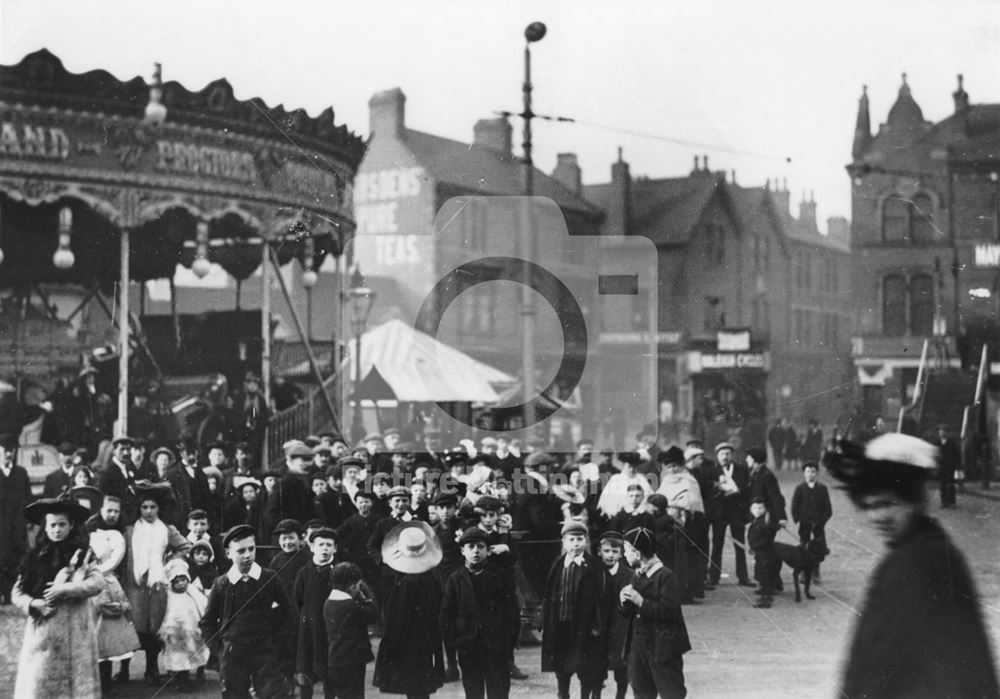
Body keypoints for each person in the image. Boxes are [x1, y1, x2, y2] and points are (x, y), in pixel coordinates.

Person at [827, 433, 1000, 698]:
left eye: (888, 503)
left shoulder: (922, 563)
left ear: (917, 501)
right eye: (869, 506)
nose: (877, 516)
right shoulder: (915, 555)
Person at [12, 496, 104, 698]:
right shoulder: (34, 557)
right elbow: (17, 593)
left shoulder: (83, 554)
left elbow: (98, 583)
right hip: (45, 632)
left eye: (62, 524)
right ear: (45, 527)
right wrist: (33, 603)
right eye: (52, 525)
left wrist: (66, 589)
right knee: (43, 682)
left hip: (78, 632)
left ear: (71, 525)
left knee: (77, 685)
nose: (57, 530)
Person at [201, 523, 296, 699]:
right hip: (233, 652)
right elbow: (207, 622)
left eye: (251, 549)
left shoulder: (269, 578)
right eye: (241, 551)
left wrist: (279, 643)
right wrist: (220, 651)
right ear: (228, 553)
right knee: (235, 694)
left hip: (266, 650)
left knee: (274, 694)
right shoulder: (222, 584)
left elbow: (289, 613)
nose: (247, 555)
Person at [123, 482, 192, 685]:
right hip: (134, 583)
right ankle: (125, 669)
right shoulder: (130, 530)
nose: (149, 511)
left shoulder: (166, 529)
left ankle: (151, 668)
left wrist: (169, 561)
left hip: (157, 584)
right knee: (130, 625)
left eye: (153, 507)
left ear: (159, 508)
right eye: (145, 507)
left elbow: (186, 546)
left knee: (154, 627)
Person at [440, 527, 520, 699]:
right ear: (462, 551)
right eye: (470, 547)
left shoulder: (500, 576)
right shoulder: (455, 579)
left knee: (498, 692)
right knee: (473, 692)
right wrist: (456, 642)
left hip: (496, 647)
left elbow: (512, 611)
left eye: (480, 546)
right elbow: (447, 615)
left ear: (488, 551)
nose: (475, 551)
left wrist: (508, 640)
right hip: (468, 647)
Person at [374, 520, 446, 699]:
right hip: (428, 637)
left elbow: (396, 617)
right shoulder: (432, 577)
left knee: (414, 685)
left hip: (408, 640)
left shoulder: (405, 583)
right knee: (421, 685)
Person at [540, 520, 611, 699]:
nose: (576, 544)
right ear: (564, 541)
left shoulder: (594, 567)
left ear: (586, 541)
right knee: (561, 667)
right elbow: (549, 597)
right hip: (560, 626)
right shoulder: (558, 565)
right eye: (571, 540)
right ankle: (563, 695)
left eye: (580, 539)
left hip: (584, 628)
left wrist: (597, 626)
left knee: (586, 668)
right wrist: (545, 622)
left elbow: (601, 600)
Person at [619, 526, 691, 699]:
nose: (624, 554)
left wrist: (641, 601)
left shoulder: (665, 576)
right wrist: (623, 602)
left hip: (663, 648)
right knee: (642, 693)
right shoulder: (637, 575)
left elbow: (669, 611)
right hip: (638, 647)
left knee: (671, 693)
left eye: (626, 550)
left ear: (637, 554)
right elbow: (629, 613)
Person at [293, 527, 344, 699]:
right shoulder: (304, 573)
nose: (325, 548)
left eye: (329, 545)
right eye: (320, 544)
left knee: (330, 675)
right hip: (308, 631)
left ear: (335, 549)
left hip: (331, 632)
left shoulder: (339, 572)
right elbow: (297, 601)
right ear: (312, 547)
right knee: (305, 675)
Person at [90, 528, 141, 695]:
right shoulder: (98, 579)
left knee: (107, 658)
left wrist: (125, 604)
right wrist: (123, 607)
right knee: (102, 658)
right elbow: (102, 604)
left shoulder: (111, 577)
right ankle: (102, 689)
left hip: (112, 626)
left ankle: (106, 688)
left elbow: (120, 594)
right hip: (102, 625)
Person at [323, 562, 379, 699]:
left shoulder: (328, 603)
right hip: (351, 663)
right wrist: (365, 595)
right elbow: (373, 613)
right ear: (352, 586)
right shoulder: (350, 606)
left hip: (335, 661)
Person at [159, 557, 210, 690]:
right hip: (175, 634)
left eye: (183, 580)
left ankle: (188, 678)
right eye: (177, 582)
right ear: (171, 582)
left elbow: (202, 603)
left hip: (191, 632)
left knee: (190, 655)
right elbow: (163, 613)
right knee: (178, 657)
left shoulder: (191, 591)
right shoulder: (169, 595)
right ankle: (180, 681)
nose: (181, 584)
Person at [708, 442, 752, 587]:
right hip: (719, 514)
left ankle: (743, 577)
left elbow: (746, 492)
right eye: (722, 454)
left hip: (736, 513)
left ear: (732, 455)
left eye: (727, 454)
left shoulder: (740, 470)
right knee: (717, 545)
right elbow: (708, 491)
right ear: (717, 456)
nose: (725, 457)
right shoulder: (712, 470)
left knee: (739, 545)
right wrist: (718, 488)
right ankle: (713, 577)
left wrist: (745, 511)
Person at [598, 531, 634, 699]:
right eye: (606, 551)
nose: (610, 555)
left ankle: (620, 695)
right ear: (599, 552)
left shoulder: (629, 575)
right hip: (599, 627)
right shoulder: (594, 573)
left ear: (621, 554)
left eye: (615, 551)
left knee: (621, 666)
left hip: (621, 627)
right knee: (596, 667)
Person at [0, 436, 31, 604]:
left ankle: (11, 594)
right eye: (5, 450)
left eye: (11, 450)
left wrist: (26, 519)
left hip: (16, 524)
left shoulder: (21, 473)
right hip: (0, 525)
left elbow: (28, 498)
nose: (8, 454)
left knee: (15, 558)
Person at [746, 497, 781, 608]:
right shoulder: (757, 520)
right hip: (759, 552)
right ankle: (765, 593)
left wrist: (754, 546)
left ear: (765, 509)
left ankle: (766, 598)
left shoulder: (765, 522)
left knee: (764, 574)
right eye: (755, 508)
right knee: (761, 573)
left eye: (760, 508)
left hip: (765, 552)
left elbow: (767, 538)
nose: (757, 510)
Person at [790, 462, 832, 550]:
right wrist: (797, 518)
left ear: (816, 473)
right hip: (804, 521)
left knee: (820, 543)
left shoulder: (822, 488)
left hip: (818, 522)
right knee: (804, 543)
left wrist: (823, 520)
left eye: (813, 472)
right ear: (804, 474)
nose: (810, 474)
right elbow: (795, 505)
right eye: (808, 472)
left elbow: (828, 508)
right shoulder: (800, 488)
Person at [936, 424, 960, 508]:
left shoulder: (952, 442)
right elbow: (936, 453)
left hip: (950, 466)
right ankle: (944, 502)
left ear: (946, 433)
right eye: (940, 431)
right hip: (941, 466)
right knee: (942, 485)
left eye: (943, 431)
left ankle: (952, 502)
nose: (941, 433)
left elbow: (957, 454)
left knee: (950, 484)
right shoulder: (938, 442)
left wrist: (957, 466)